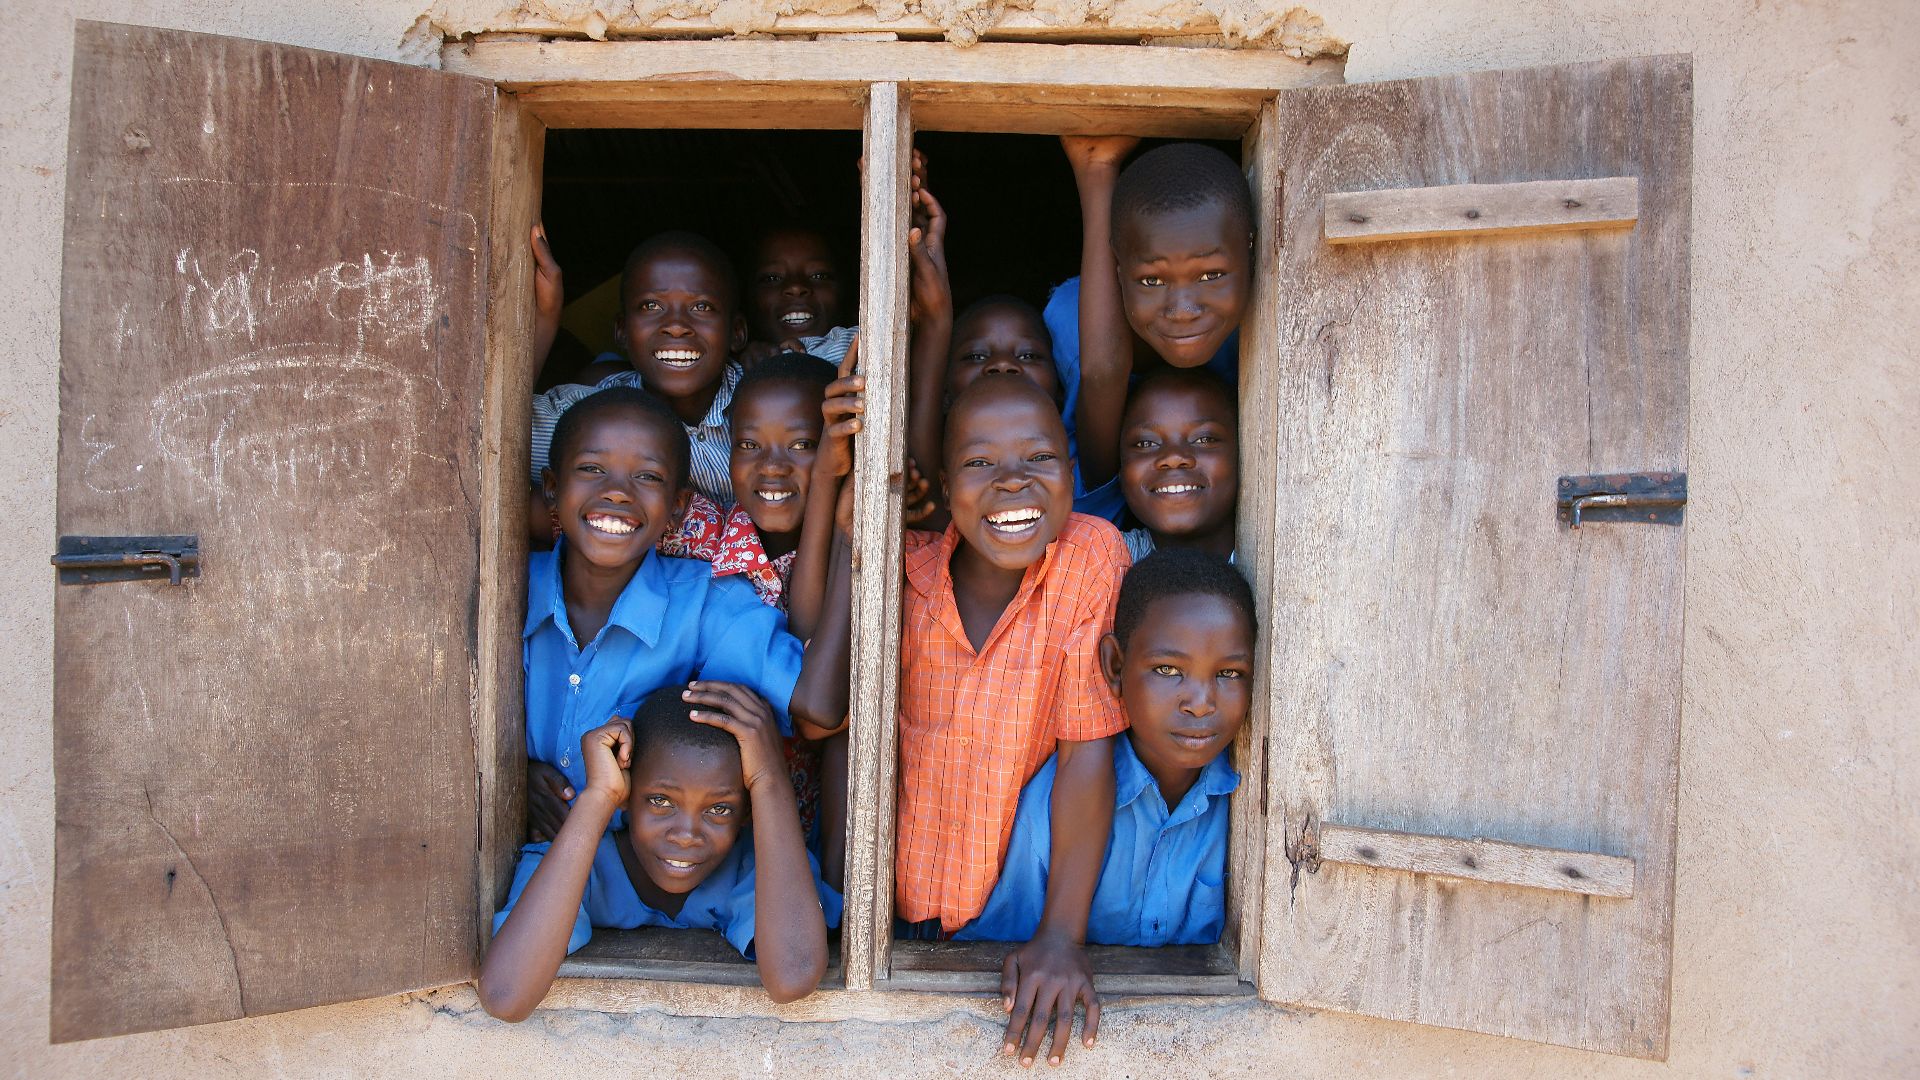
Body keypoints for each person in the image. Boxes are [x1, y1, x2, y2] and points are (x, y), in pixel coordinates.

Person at [891, 375, 1130, 1066]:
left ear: (1073, 467)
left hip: (1017, 929)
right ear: (942, 481)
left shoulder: (1089, 557)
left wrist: (1060, 936)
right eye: (978, 462)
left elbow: (1087, 749)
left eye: (1038, 458)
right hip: (896, 922)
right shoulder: (904, 569)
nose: (1012, 482)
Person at [522, 385, 853, 843]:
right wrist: (513, 775)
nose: (617, 493)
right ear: (552, 489)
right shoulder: (506, 589)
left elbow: (820, 706)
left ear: (678, 508)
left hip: (656, 869)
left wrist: (847, 531)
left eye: (648, 477)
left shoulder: (703, 603)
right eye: (592, 469)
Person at [477, 683, 841, 1018]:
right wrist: (598, 796)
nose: (686, 835)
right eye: (660, 800)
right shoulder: (573, 863)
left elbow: (793, 976)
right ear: (626, 791)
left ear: (746, 812)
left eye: (719, 809)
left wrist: (768, 777)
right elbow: (506, 995)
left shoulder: (760, 869)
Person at [959, 548, 1255, 952]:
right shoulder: (1054, 805)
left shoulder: (1251, 805)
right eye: (1168, 670)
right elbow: (1002, 957)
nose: (1201, 702)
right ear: (1115, 666)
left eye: (1228, 673)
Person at [1048, 138, 1255, 521]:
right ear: (1116, 271)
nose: (1183, 311)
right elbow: (1101, 373)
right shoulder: (1071, 320)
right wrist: (1096, 172)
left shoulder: (1267, 324)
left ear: (1251, 250)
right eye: (1152, 281)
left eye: (1210, 275)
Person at [1113, 369, 1238, 562]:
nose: (1174, 457)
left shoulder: (1287, 556)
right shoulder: (1099, 562)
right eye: (1146, 443)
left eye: (1204, 439)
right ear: (1120, 470)